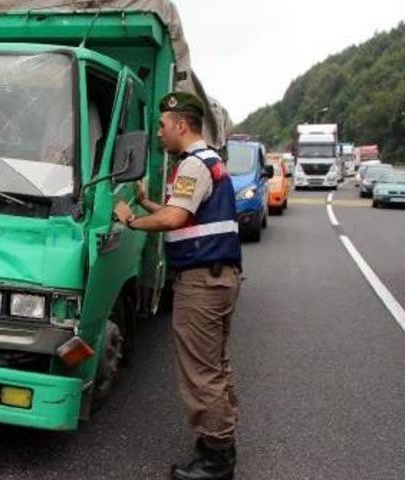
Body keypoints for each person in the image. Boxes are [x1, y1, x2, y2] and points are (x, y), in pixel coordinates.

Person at [113, 92, 242, 480]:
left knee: (200, 372)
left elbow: (173, 220)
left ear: (181, 125)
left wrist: (130, 220)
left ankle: (217, 460)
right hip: (218, 277)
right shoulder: (209, 161)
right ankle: (219, 441)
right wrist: (147, 203)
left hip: (202, 282)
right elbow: (184, 215)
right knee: (215, 366)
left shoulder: (192, 164)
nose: (158, 133)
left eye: (162, 125)